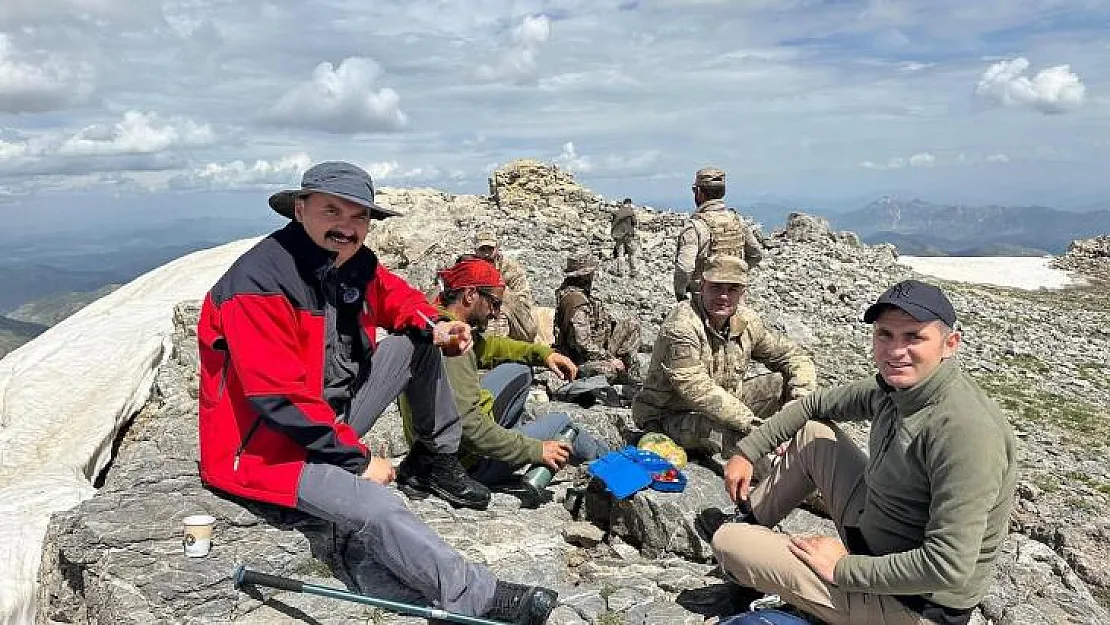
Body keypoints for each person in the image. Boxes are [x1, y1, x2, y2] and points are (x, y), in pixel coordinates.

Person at [196, 161, 556, 624]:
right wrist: (360, 461)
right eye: (333, 212)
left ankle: (433, 460)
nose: (347, 228)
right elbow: (278, 398)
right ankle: (475, 596)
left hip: (329, 417)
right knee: (377, 506)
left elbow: (398, 299)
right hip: (269, 448)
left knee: (418, 344)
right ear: (301, 210)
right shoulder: (259, 283)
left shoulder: (354, 263)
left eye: (359, 217)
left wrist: (439, 326)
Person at [711, 280, 1018, 625]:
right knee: (815, 434)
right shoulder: (897, 388)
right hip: (875, 536)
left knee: (728, 540)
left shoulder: (965, 431)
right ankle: (754, 533)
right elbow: (813, 405)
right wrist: (747, 452)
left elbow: (948, 566)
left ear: (950, 344)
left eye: (914, 337)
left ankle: (752, 558)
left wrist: (843, 569)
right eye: (885, 334)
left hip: (913, 605)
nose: (895, 350)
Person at [400, 257, 609, 488]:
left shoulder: (439, 323)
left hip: (432, 444)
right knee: (562, 424)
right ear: (470, 295)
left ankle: (514, 433)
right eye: (494, 304)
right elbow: (469, 427)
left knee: (520, 369)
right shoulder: (454, 349)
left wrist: (542, 354)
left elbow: (491, 348)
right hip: (464, 463)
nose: (497, 314)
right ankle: (613, 467)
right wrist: (535, 450)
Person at [633, 255, 816, 457]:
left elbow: (794, 357)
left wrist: (796, 407)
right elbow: (695, 387)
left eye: (732, 289)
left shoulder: (746, 321)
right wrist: (752, 425)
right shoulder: (681, 327)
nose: (723, 296)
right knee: (736, 437)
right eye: (716, 287)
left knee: (781, 383)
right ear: (702, 286)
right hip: (670, 415)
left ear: (742, 293)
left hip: (726, 403)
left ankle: (808, 457)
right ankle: (783, 477)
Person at [674, 167, 763, 301]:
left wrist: (681, 293)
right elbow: (756, 254)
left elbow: (685, 268)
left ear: (698, 192)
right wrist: (734, 274)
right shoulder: (737, 220)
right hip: (734, 297)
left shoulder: (695, 227)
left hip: (705, 299)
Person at [554, 253, 642, 383]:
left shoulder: (579, 295)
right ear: (585, 275)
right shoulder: (576, 303)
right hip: (580, 359)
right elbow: (582, 345)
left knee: (631, 324)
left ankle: (624, 366)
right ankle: (619, 373)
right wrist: (609, 359)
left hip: (598, 348)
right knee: (609, 371)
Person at [473, 230, 538, 342]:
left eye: (490, 249)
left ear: (497, 248)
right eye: (482, 249)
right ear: (476, 251)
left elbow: (523, 300)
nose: (487, 253)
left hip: (512, 315)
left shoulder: (511, 269)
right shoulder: (469, 268)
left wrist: (497, 297)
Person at [610, 197, 639, 277]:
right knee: (632, 253)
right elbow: (634, 223)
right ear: (629, 203)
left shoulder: (616, 212)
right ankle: (633, 271)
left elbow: (612, 222)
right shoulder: (631, 212)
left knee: (620, 254)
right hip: (628, 236)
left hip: (618, 236)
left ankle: (620, 272)